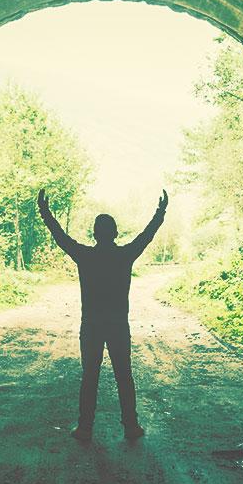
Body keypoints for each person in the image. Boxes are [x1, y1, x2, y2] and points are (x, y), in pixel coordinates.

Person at [37, 188, 168, 441]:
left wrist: (45, 212)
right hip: (118, 326)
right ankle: (131, 426)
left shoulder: (85, 256)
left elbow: (60, 237)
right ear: (115, 234)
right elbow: (147, 236)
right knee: (124, 376)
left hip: (92, 327)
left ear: (95, 234)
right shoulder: (124, 255)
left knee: (90, 377)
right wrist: (160, 212)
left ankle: (85, 428)